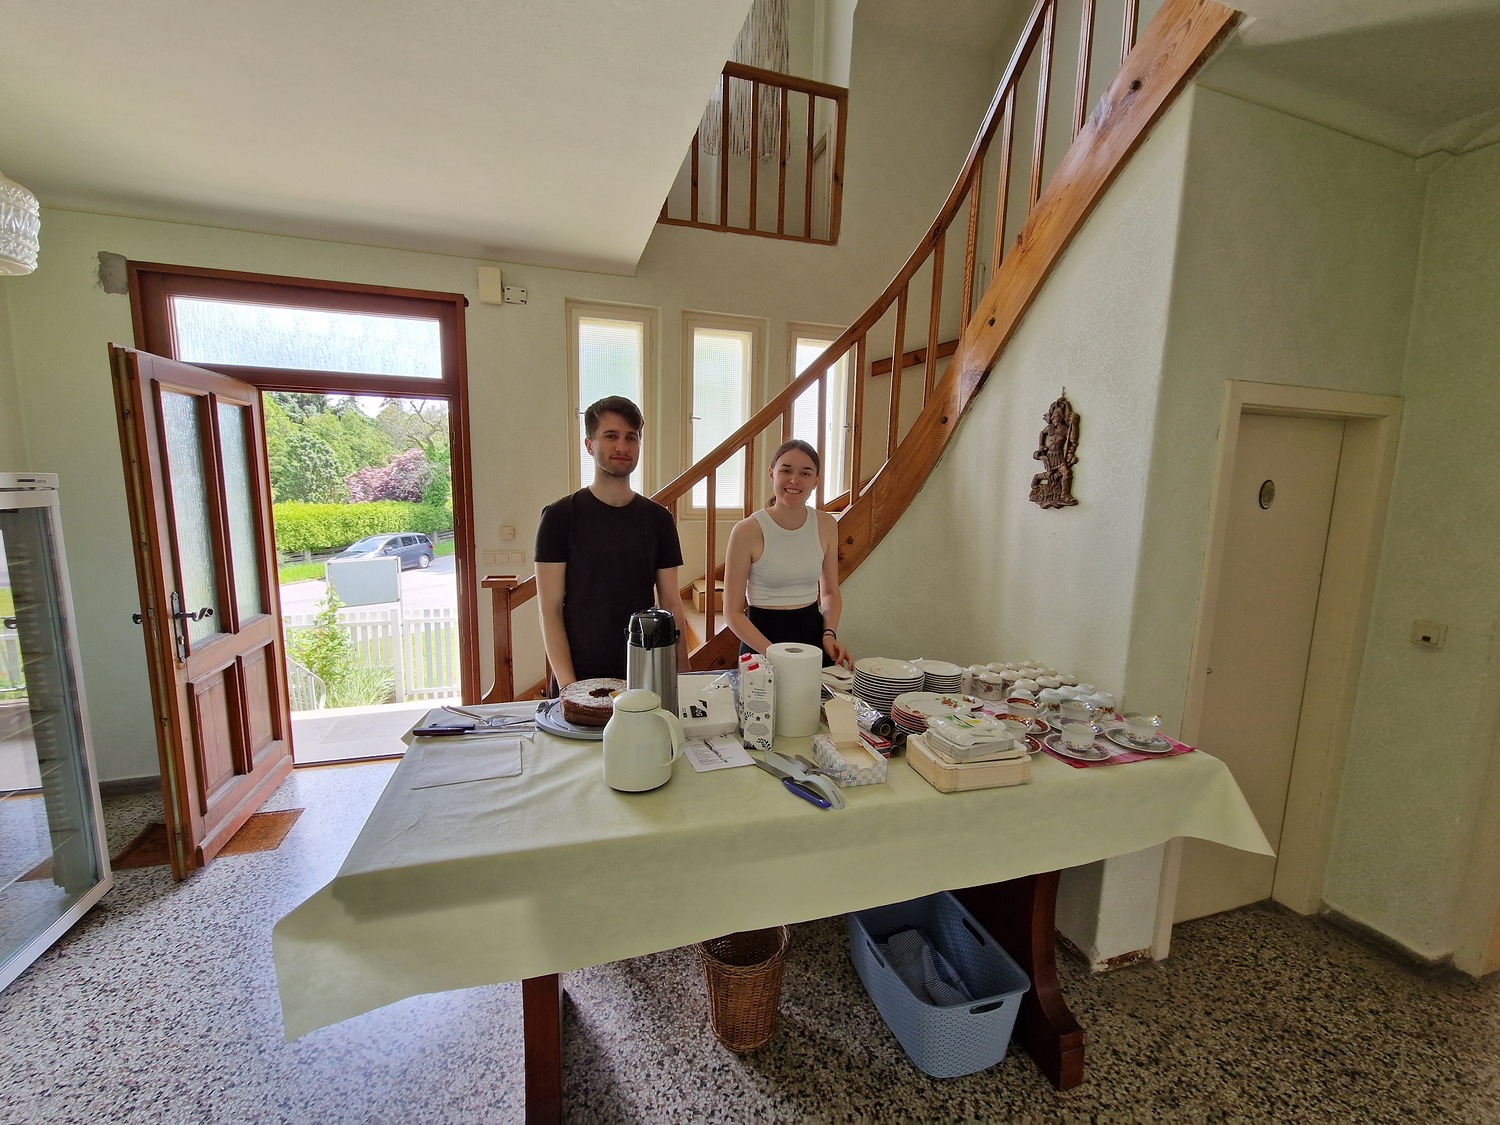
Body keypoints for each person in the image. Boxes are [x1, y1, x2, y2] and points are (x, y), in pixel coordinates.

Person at [535, 396, 689, 689]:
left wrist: (682, 673)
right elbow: (550, 610)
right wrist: (569, 687)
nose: (622, 446)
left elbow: (671, 602)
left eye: (631, 437)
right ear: (590, 445)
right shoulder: (559, 517)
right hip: (578, 675)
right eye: (611, 436)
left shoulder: (659, 519)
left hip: (644, 671)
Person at [723, 439, 852, 669]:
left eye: (805, 473)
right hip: (762, 641)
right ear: (772, 474)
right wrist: (775, 653)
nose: (794, 479)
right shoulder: (746, 531)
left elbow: (831, 592)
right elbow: (732, 613)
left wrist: (829, 634)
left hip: (812, 638)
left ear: (816, 481)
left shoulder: (826, 524)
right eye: (786, 470)